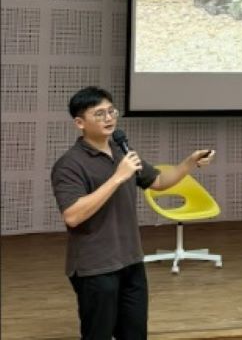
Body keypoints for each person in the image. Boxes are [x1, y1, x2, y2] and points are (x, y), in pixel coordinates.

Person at [51, 86, 215, 340]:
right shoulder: (69, 164)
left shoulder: (121, 152)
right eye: (99, 114)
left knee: (135, 333)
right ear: (79, 123)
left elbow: (158, 181)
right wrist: (118, 177)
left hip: (130, 260)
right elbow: (73, 216)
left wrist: (190, 162)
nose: (108, 118)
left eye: (111, 111)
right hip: (95, 266)